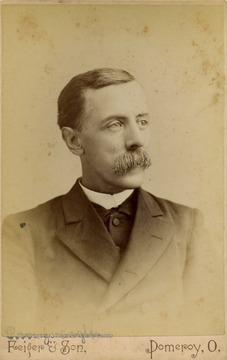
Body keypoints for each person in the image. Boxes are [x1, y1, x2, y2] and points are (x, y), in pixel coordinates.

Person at [2, 68, 223, 337]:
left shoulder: (187, 226)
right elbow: (16, 345)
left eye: (142, 121)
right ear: (73, 140)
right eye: (115, 125)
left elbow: (207, 339)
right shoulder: (24, 232)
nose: (137, 140)